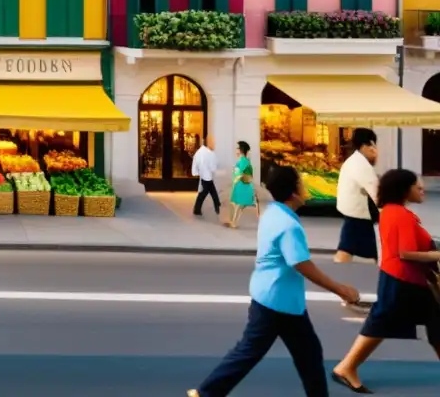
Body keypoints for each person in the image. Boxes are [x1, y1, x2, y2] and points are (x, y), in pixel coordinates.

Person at [187, 165, 360, 397]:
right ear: (294, 193)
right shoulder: (288, 225)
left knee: (304, 354)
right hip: (278, 302)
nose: (304, 186)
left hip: (276, 298)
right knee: (261, 353)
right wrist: (339, 289)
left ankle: (206, 393)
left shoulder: (274, 212)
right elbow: (300, 263)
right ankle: (205, 393)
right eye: (301, 182)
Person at [331, 169, 440, 393]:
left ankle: (346, 367)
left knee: (433, 324)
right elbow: (406, 253)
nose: (421, 189)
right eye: (416, 185)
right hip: (403, 281)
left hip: (405, 280)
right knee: (382, 323)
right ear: (403, 189)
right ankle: (346, 367)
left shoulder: (394, 212)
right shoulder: (399, 214)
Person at [336, 128, 380, 264]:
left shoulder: (356, 160)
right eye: (373, 145)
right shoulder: (360, 164)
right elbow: (375, 190)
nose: (375, 148)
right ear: (366, 145)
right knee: (347, 248)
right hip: (358, 213)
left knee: (348, 247)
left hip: (355, 211)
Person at [225, 141, 258, 229]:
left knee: (239, 204)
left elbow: (239, 173)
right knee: (238, 204)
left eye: (237, 149)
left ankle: (233, 222)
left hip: (241, 185)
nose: (236, 150)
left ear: (240, 150)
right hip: (241, 184)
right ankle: (233, 221)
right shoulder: (243, 160)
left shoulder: (243, 161)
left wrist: (235, 181)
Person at [192, 137, 220, 217]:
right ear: (209, 143)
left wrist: (196, 172)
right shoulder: (209, 154)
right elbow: (213, 167)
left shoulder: (200, 152)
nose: (214, 145)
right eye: (213, 143)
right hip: (207, 176)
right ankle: (197, 209)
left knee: (211, 191)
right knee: (204, 193)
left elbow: (195, 163)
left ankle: (217, 205)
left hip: (204, 175)